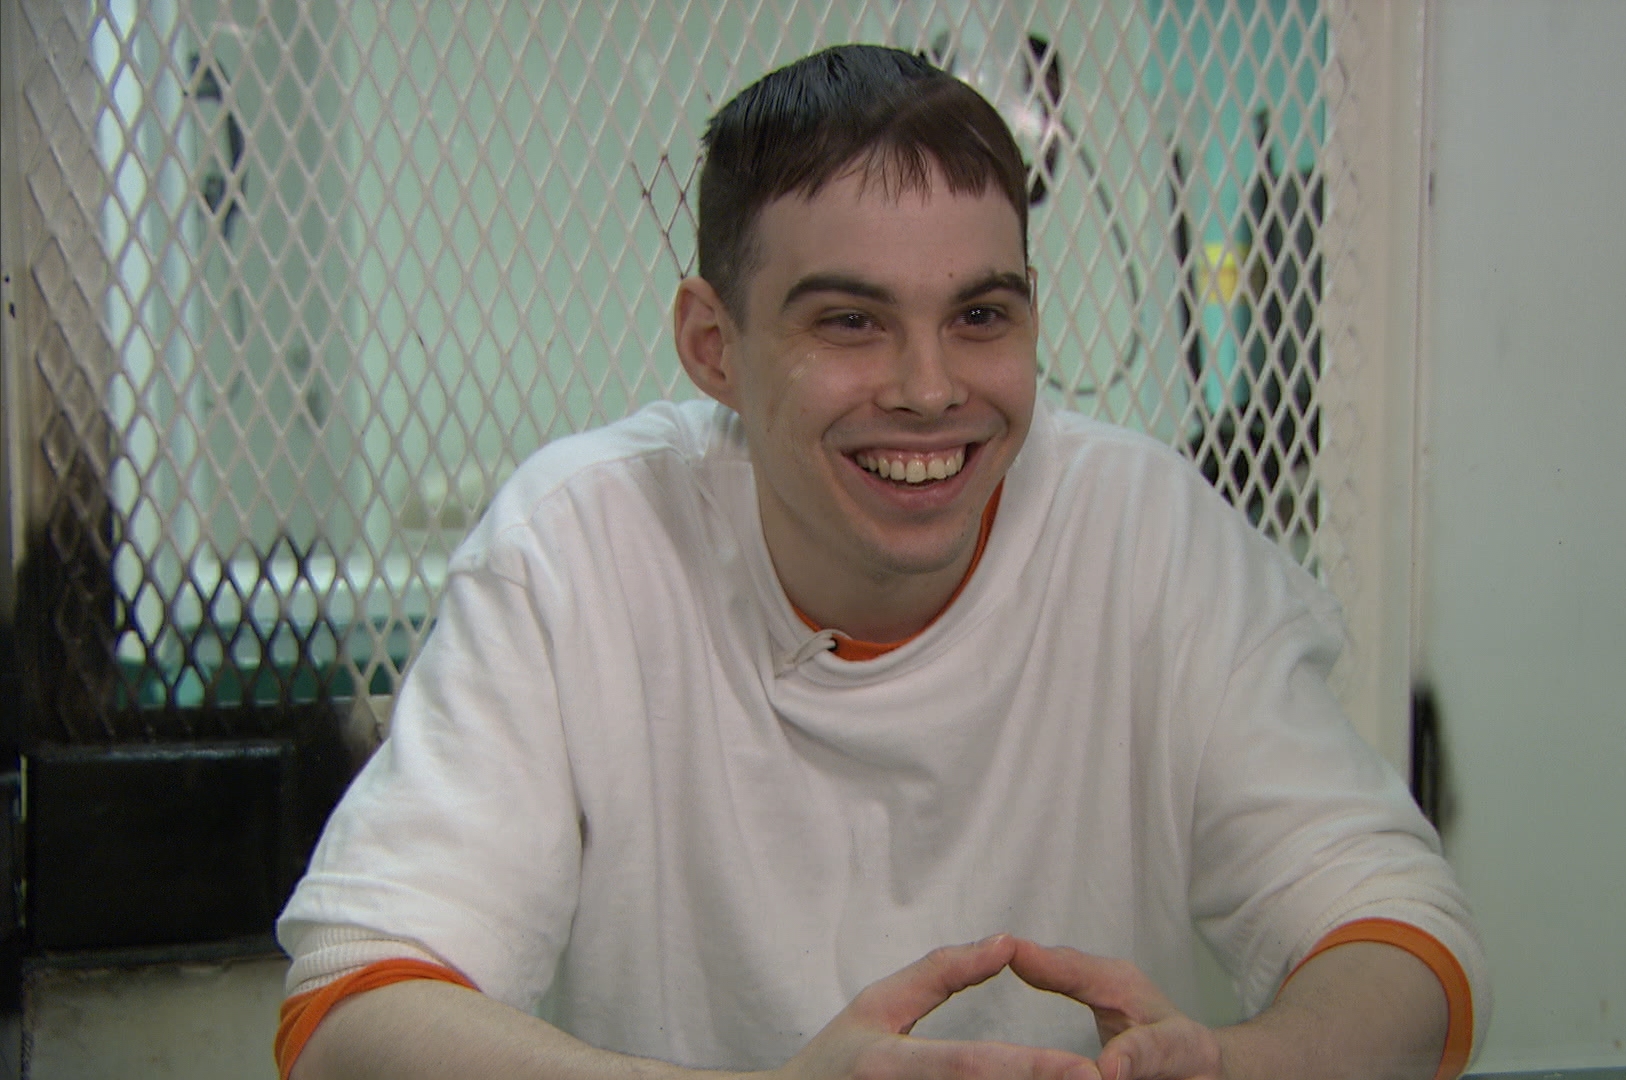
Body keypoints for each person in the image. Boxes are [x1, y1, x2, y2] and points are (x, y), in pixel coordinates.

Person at [274, 44, 1486, 1080]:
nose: (928, 389)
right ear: (714, 344)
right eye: (850, 321)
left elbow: (1400, 932)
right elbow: (350, 1006)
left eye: (981, 316)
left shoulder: (1145, 534)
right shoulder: (578, 547)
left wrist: (1241, 1067)